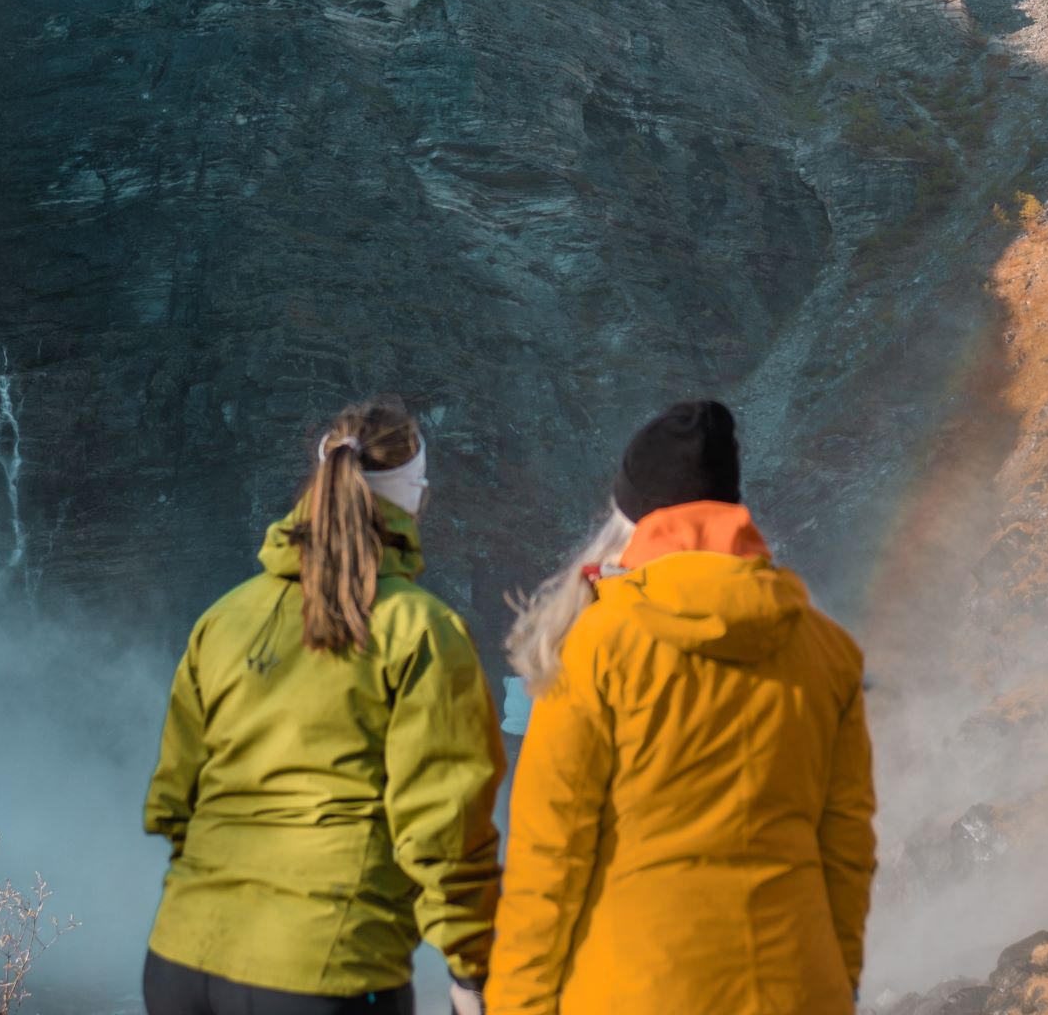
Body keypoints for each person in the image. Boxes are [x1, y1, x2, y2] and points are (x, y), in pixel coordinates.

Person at [489, 400, 877, 1014]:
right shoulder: (827, 650)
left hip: (634, 990)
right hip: (796, 988)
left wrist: (517, 1004)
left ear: (634, 522)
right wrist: (839, 980)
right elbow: (846, 848)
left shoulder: (596, 646)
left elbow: (549, 854)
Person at [143, 397, 505, 1015]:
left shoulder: (224, 619)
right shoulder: (421, 630)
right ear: (414, 494)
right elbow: (443, 831)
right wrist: (475, 972)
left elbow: (176, 801)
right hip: (326, 970)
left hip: (181, 963)